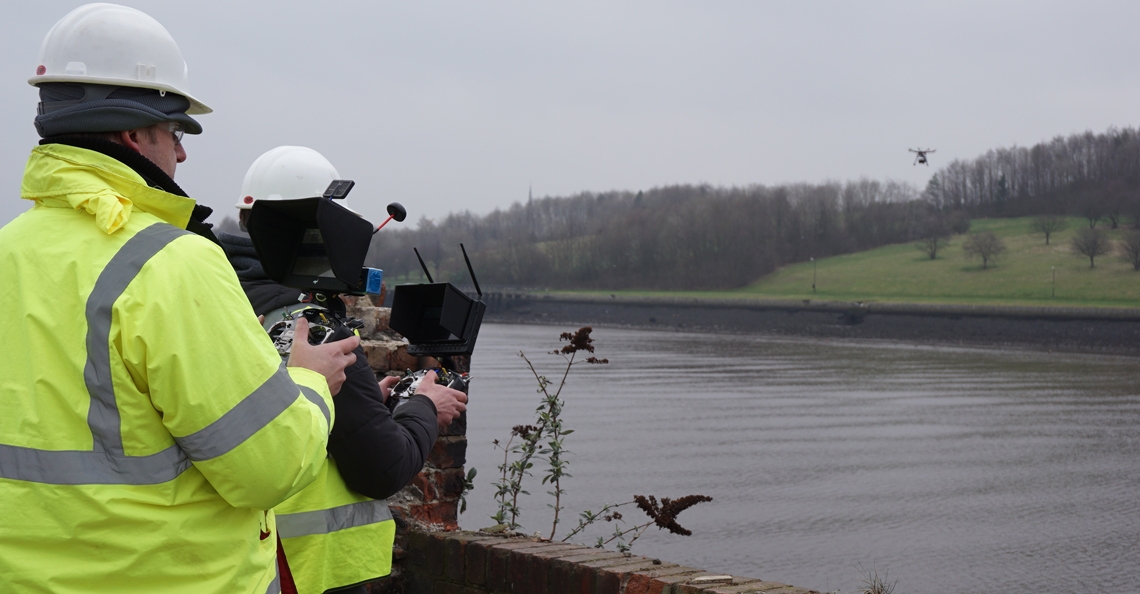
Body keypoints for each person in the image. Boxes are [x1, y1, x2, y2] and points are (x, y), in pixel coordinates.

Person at [0, 6, 360, 593]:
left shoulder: (6, 251)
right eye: (176, 131)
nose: (183, 153)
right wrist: (309, 381)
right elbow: (269, 469)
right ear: (134, 132)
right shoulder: (170, 264)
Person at [219, 146, 468, 594]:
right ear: (323, 230)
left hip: (238, 564)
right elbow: (382, 466)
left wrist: (374, 402)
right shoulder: (314, 328)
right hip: (306, 569)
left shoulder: (220, 298)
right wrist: (426, 406)